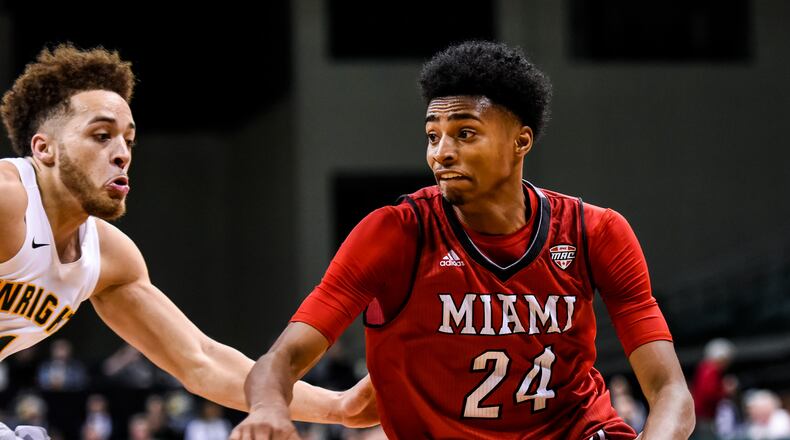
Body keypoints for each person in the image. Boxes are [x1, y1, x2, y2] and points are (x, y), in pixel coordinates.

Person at [231, 41, 694, 439]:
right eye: (433, 136)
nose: (442, 153)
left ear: (521, 141)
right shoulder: (395, 233)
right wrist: (268, 408)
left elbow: (670, 391)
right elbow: (282, 359)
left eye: (464, 133)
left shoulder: (595, 232)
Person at [0, 43, 376, 428]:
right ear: (44, 149)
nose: (122, 154)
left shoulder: (110, 257)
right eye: (101, 135)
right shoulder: (7, 199)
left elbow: (201, 361)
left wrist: (339, 407)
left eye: (128, 140)